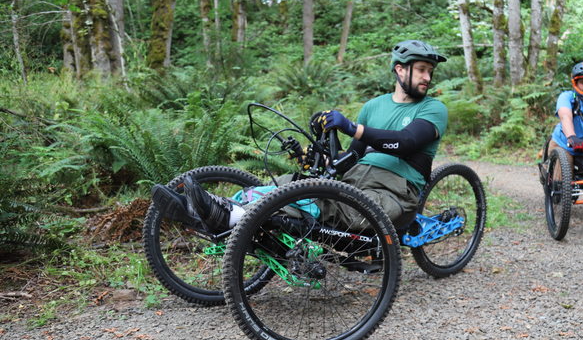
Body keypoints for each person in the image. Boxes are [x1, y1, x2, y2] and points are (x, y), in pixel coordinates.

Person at [150, 39, 449, 233]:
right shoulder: (374, 106)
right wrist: (316, 153)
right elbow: (353, 156)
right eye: (421, 70)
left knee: (324, 205)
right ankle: (207, 209)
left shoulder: (434, 109)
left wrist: (350, 126)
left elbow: (406, 142)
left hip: (394, 192)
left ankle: (229, 219)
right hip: (355, 180)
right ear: (400, 70)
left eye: (429, 71)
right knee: (290, 185)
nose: (427, 77)